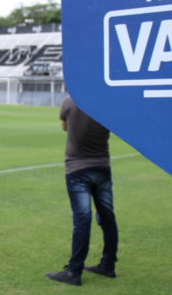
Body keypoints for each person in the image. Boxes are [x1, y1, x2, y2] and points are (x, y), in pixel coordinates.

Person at [46, 96, 118, 287]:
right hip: (102, 166)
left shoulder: (69, 102)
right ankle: (108, 265)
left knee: (82, 220)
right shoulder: (106, 103)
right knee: (107, 217)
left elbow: (65, 127)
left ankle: (74, 272)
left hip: (77, 168)